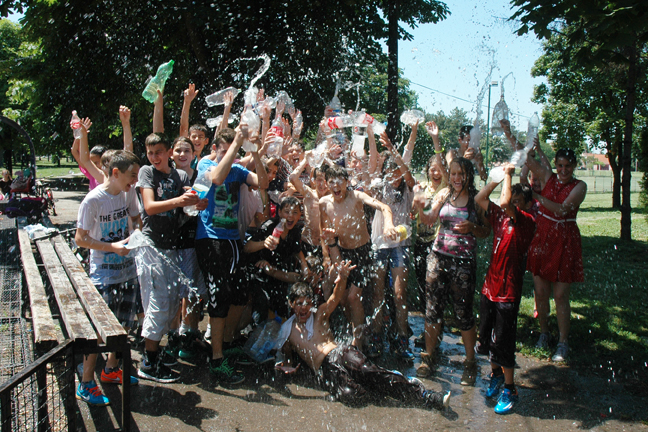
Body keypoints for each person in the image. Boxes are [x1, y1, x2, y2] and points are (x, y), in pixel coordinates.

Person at [275, 261, 450, 410]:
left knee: (370, 373)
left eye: (307, 303)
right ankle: (390, 379)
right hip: (325, 372)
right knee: (353, 396)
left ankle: (425, 395)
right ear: (291, 304)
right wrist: (285, 366)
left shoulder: (319, 314)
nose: (303, 308)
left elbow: (335, 297)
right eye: (299, 304)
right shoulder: (288, 331)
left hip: (340, 354)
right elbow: (287, 356)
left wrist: (342, 278)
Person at [195, 123, 268, 386]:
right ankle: (216, 359)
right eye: (224, 150)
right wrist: (236, 144)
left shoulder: (237, 169)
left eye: (232, 152)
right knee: (219, 295)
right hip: (210, 238)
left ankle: (226, 344)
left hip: (233, 240)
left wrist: (256, 154)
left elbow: (263, 183)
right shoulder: (205, 166)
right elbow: (216, 178)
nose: (230, 155)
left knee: (239, 292)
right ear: (215, 149)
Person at [135, 122, 206, 382]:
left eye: (159, 152)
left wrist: (198, 202)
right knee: (157, 305)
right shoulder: (146, 173)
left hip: (173, 249)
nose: (155, 157)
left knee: (170, 306)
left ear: (168, 153)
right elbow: (150, 207)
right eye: (151, 152)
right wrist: (181, 200)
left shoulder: (180, 177)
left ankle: (159, 353)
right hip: (152, 248)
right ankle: (148, 362)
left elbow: (188, 207)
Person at [74, 139, 142, 406]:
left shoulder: (128, 193)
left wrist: (136, 232)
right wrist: (112, 247)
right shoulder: (93, 201)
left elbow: (136, 218)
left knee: (123, 325)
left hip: (127, 271)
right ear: (115, 173)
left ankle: (111, 369)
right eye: (131, 175)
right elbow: (81, 239)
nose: (135, 181)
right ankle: (87, 382)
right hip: (103, 273)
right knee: (101, 330)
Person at [412, 157, 490, 384]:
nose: (456, 178)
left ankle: (469, 362)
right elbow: (429, 219)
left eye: (461, 174)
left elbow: (487, 230)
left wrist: (472, 227)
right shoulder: (444, 194)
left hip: (463, 263)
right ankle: (428, 357)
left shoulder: (476, 200)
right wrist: (419, 208)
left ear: (468, 175)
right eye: (453, 174)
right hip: (438, 258)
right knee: (432, 309)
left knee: (462, 314)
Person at [474, 163, 536, 414]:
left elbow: (508, 203)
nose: (514, 203)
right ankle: (496, 375)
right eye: (515, 199)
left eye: (521, 201)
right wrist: (497, 178)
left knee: (504, 341)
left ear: (527, 204)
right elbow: (480, 198)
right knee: (488, 338)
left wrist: (509, 174)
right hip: (490, 287)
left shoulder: (527, 220)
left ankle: (510, 388)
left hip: (508, 292)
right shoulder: (499, 215)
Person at [319, 164, 398, 348]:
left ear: (347, 182)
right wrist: (326, 257)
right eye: (332, 183)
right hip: (341, 251)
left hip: (362, 251)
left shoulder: (357, 197)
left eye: (340, 182)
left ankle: (359, 343)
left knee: (354, 297)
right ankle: (356, 330)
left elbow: (384, 207)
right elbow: (324, 232)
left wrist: (388, 225)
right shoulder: (324, 203)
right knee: (344, 297)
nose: (336, 186)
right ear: (327, 184)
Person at [526, 147, 587, 362]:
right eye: (560, 165)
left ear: (573, 166)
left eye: (567, 166)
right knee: (541, 292)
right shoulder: (548, 177)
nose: (563, 170)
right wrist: (523, 142)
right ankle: (544, 333)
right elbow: (528, 160)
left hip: (565, 241)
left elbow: (562, 209)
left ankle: (563, 342)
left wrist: (536, 197)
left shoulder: (580, 186)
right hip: (543, 238)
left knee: (561, 295)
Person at [365, 132, 416, 360]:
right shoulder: (380, 186)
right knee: (377, 294)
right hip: (379, 245)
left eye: (398, 170)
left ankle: (402, 339)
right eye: (390, 170)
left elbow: (408, 172)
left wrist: (394, 150)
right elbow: (372, 171)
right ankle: (376, 336)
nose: (394, 174)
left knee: (399, 294)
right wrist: (371, 136)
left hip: (400, 246)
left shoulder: (409, 189)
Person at [243, 196, 312, 320]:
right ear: (279, 212)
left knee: (281, 308)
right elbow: (247, 247)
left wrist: (304, 265)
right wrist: (263, 243)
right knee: (263, 308)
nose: (290, 216)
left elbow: (297, 250)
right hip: (260, 273)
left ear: (299, 215)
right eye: (287, 212)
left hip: (279, 273)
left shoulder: (295, 231)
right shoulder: (270, 226)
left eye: (295, 212)